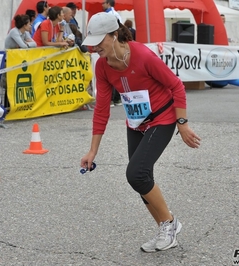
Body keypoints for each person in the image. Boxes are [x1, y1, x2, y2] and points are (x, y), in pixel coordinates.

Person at [80, 12, 201, 253]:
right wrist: (93, 150)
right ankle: (165, 229)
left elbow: (176, 85)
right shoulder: (102, 66)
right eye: (91, 41)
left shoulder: (144, 55)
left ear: (114, 36)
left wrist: (182, 122)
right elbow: (102, 108)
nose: (93, 47)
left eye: (98, 41)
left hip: (162, 118)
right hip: (136, 122)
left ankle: (170, 224)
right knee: (141, 179)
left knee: (136, 174)